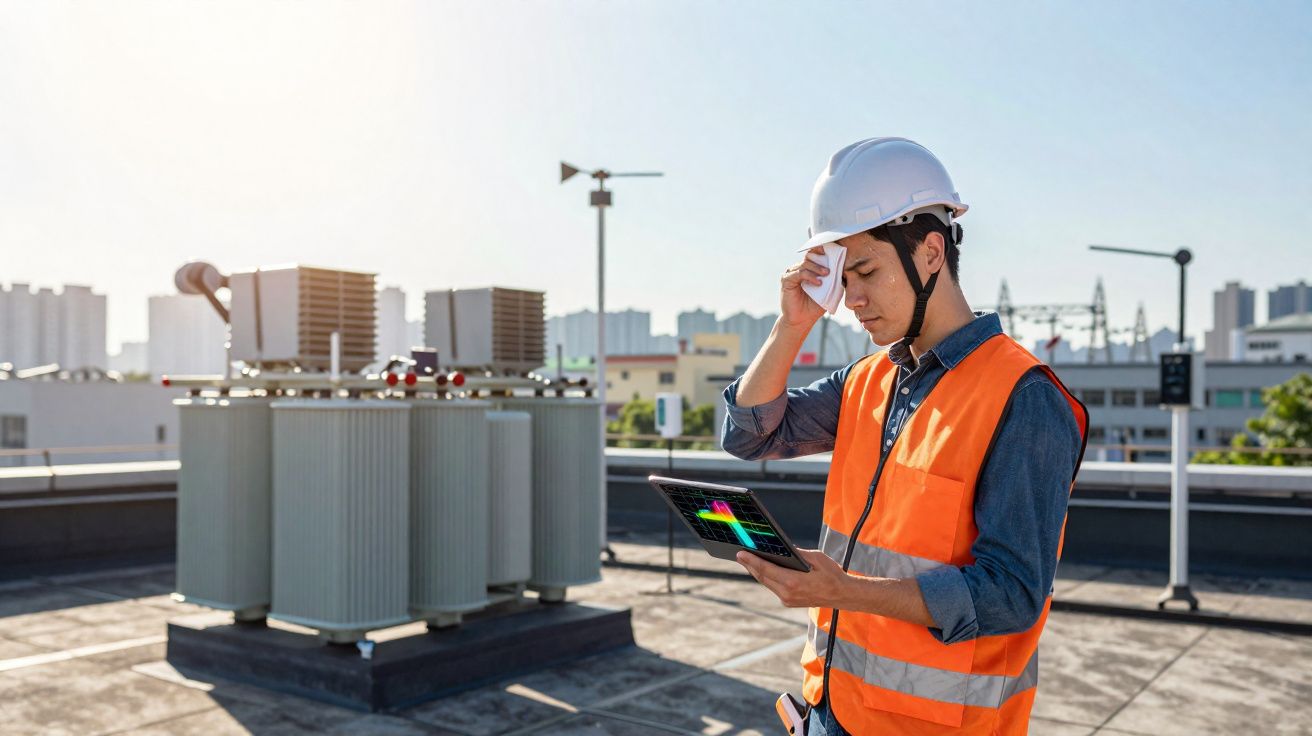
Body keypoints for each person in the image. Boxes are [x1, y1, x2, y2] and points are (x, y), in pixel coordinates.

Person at [721, 138, 1089, 735]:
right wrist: (790, 326)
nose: (851, 301)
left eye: (866, 271)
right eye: (844, 277)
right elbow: (749, 435)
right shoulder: (867, 381)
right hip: (832, 712)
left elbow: (1013, 594)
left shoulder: (1024, 397)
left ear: (931, 253)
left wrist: (846, 591)